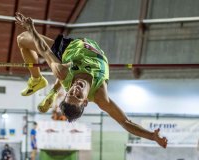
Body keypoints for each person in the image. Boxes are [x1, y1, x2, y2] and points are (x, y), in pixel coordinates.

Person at [15, 12, 168, 148]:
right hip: (88, 54)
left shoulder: (63, 73)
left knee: (22, 39)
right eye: (79, 96)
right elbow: (125, 122)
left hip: (69, 49)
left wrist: (31, 28)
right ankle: (45, 86)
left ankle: (37, 79)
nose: (76, 90)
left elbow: (44, 50)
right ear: (86, 101)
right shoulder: (100, 95)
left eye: (71, 93)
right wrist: (152, 136)